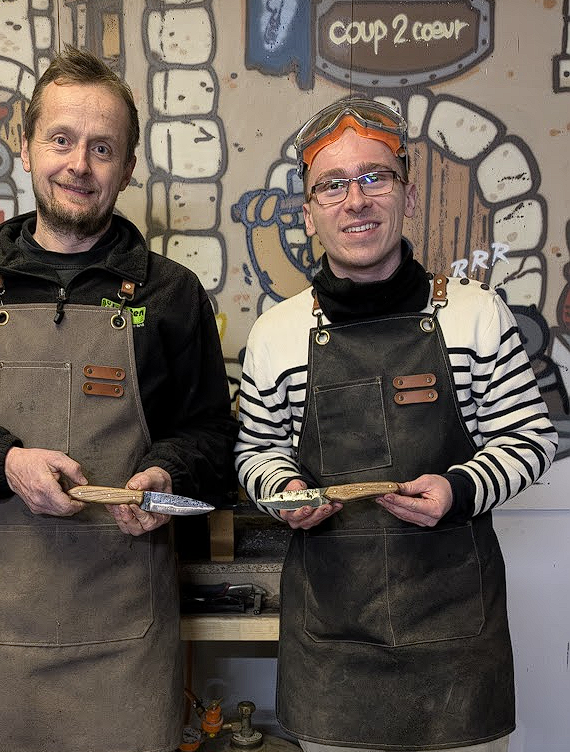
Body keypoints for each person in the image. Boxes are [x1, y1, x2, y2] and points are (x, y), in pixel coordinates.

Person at [0, 45, 237, 752]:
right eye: (61, 140)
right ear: (26, 146)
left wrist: (167, 473)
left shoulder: (170, 295)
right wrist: (6, 463)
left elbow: (211, 436)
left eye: (103, 148)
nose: (79, 165)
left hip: (123, 636)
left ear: (127, 167)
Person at [234, 97, 558, 752]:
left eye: (374, 177)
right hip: (333, 653)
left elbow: (530, 436)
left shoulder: (475, 315)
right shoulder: (276, 333)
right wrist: (283, 491)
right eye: (332, 184)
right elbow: (255, 450)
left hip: (456, 648)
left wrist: (459, 489)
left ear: (407, 196)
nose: (356, 200)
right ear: (309, 212)